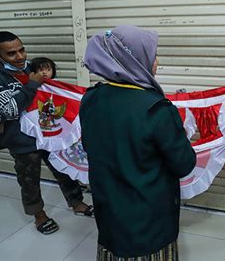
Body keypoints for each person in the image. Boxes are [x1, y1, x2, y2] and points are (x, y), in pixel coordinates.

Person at [80, 25, 196, 260]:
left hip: (109, 202)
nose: (157, 61)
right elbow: (184, 164)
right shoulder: (157, 110)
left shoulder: (91, 98)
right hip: (147, 211)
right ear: (133, 60)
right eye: (152, 55)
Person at [0, 31, 94, 235]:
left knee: (64, 168)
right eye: (11, 53)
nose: (20, 56)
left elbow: (53, 92)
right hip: (20, 138)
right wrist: (32, 83)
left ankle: (76, 202)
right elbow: (10, 110)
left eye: (22, 49)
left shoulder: (34, 67)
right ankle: (38, 214)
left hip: (50, 132)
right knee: (29, 177)